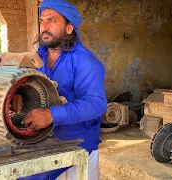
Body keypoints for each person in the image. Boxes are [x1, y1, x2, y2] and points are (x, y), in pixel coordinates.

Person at [18, 0, 107, 179]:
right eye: (42, 21)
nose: (44, 27)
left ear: (69, 28)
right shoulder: (37, 57)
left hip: (78, 145)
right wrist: (18, 96)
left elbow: (96, 103)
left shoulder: (84, 60)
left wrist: (51, 114)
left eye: (52, 21)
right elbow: (30, 87)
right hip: (43, 140)